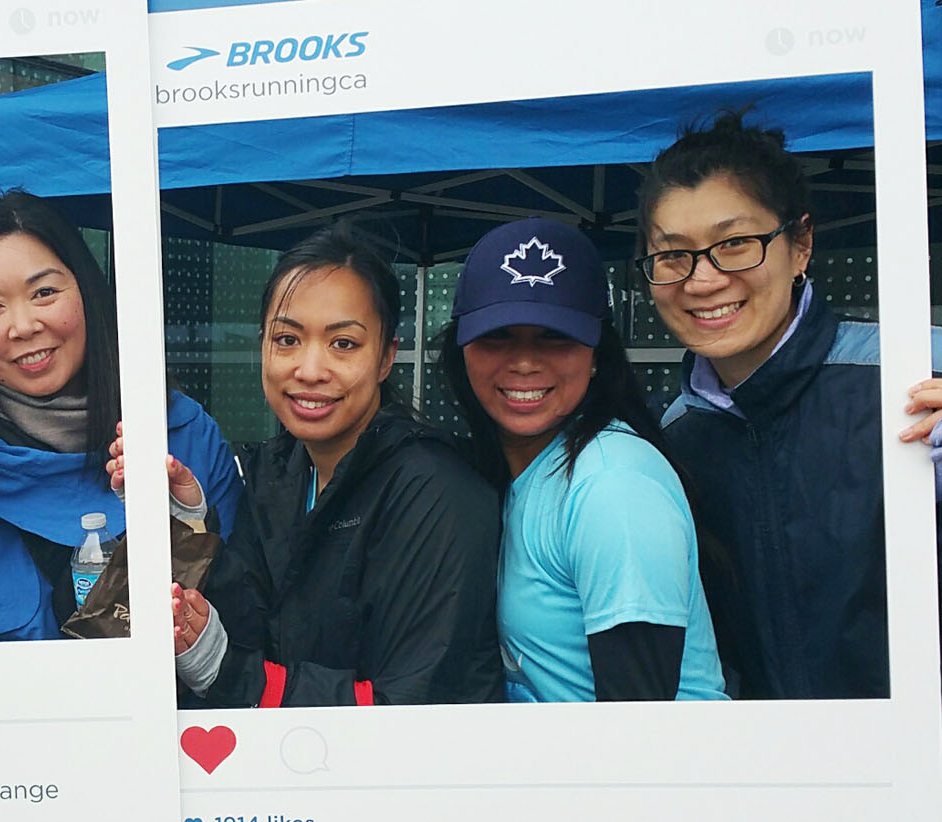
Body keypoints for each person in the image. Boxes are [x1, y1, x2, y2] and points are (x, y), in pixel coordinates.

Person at [0, 190, 240, 685]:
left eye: (44, 293)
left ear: (86, 291)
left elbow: (249, 626)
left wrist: (186, 536)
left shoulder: (180, 435)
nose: (24, 325)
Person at [638, 112, 942, 699]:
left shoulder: (910, 375)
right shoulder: (668, 442)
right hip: (771, 776)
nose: (703, 281)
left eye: (735, 244)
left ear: (800, 244)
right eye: (674, 255)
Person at [161, 223, 502, 708]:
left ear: (387, 358)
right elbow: (255, 627)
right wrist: (189, 523)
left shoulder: (434, 493)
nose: (310, 369)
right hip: (295, 767)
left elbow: (413, 705)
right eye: (287, 340)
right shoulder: (278, 471)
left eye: (343, 343)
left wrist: (227, 671)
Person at [439, 218, 726, 703]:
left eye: (555, 337)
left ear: (596, 353)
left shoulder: (612, 483)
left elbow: (638, 720)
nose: (525, 362)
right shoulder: (518, 469)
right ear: (461, 348)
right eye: (498, 336)